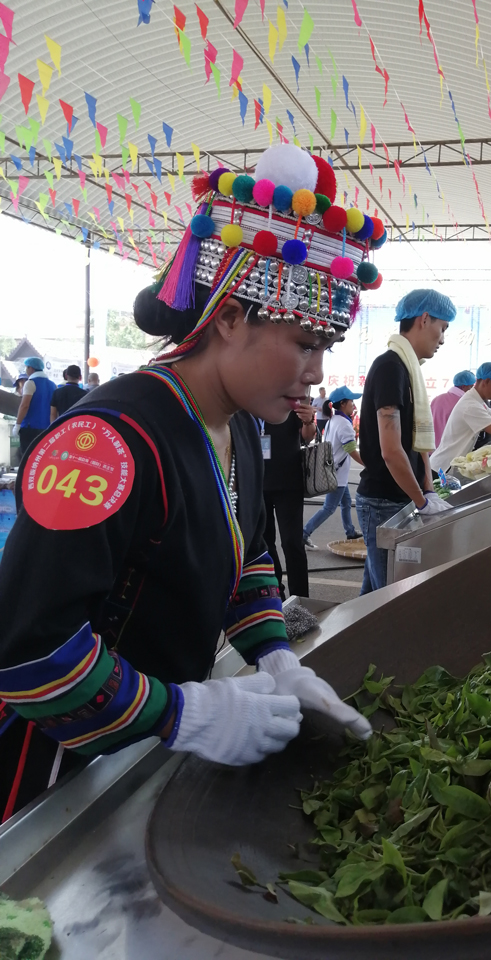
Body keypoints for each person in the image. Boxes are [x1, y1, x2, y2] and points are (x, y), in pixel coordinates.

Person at [0, 143, 372, 819]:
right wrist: (179, 711)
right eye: (305, 343)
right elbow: (30, 649)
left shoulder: (245, 426)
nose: (317, 372)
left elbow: (249, 552)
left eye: (325, 348)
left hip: (135, 754)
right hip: (48, 775)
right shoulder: (107, 442)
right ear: (230, 318)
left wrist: (277, 658)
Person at [356, 289, 455, 595]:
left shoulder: (409, 370)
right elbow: (391, 450)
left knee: (375, 590)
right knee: (387, 596)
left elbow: (418, 445)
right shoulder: (391, 368)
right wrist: (422, 501)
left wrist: (427, 488)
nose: (442, 340)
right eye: (442, 329)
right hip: (382, 500)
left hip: (399, 499)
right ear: (424, 319)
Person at [260, 401, 316, 596]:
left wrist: (309, 421)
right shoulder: (250, 398)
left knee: (292, 543)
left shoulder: (292, 399)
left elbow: (307, 437)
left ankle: (301, 599)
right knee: (265, 544)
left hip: (289, 483)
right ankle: (277, 594)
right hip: (257, 483)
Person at [303, 386, 363, 548]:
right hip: (336, 474)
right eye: (351, 401)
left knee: (345, 503)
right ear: (342, 404)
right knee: (329, 508)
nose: (353, 404)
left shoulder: (333, 420)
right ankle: (304, 533)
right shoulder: (344, 424)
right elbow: (350, 449)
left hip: (335, 470)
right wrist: (368, 465)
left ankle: (350, 531)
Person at [13, 357, 55, 457]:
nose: (26, 371)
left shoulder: (30, 383)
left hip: (30, 428)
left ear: (31, 368)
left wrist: (18, 424)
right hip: (47, 428)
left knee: (27, 458)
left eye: (26, 368)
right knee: (42, 458)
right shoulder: (53, 385)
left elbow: (24, 405)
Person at [431, 370, 476, 446]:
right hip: (450, 449)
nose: (473, 390)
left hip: (431, 448)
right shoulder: (463, 403)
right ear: (464, 386)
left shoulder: (437, 399)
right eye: (471, 386)